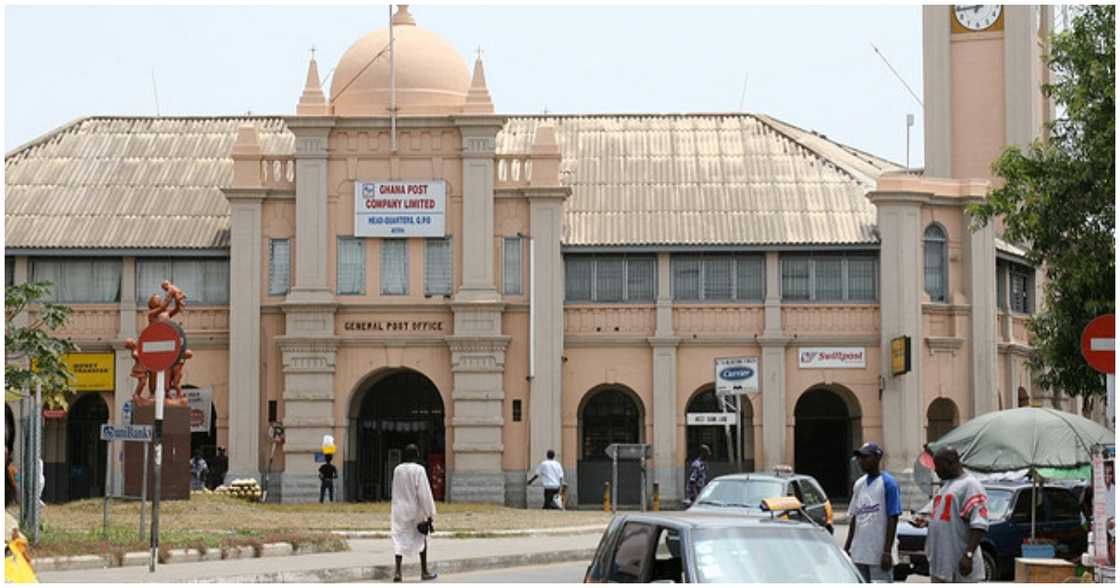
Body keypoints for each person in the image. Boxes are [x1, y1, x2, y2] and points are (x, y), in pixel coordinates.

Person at [912, 447, 989, 583]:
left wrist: (968, 555)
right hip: (941, 564)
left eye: (938, 465)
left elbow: (979, 524)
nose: (935, 470)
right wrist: (925, 520)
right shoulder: (946, 485)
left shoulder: (970, 484)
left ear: (951, 462)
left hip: (958, 563)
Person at [844, 442, 902, 583]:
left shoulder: (889, 483)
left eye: (865, 457)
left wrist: (887, 552)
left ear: (877, 458)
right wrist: (847, 547)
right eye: (859, 458)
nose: (861, 461)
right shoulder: (859, 484)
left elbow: (892, 517)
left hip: (879, 553)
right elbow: (855, 517)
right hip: (859, 552)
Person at [391, 444, 437, 583]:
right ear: (417, 455)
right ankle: (424, 571)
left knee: (398, 539)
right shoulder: (419, 470)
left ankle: (398, 572)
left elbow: (394, 489)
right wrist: (430, 513)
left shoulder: (397, 469)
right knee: (422, 538)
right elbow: (424, 493)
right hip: (415, 509)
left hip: (398, 509)